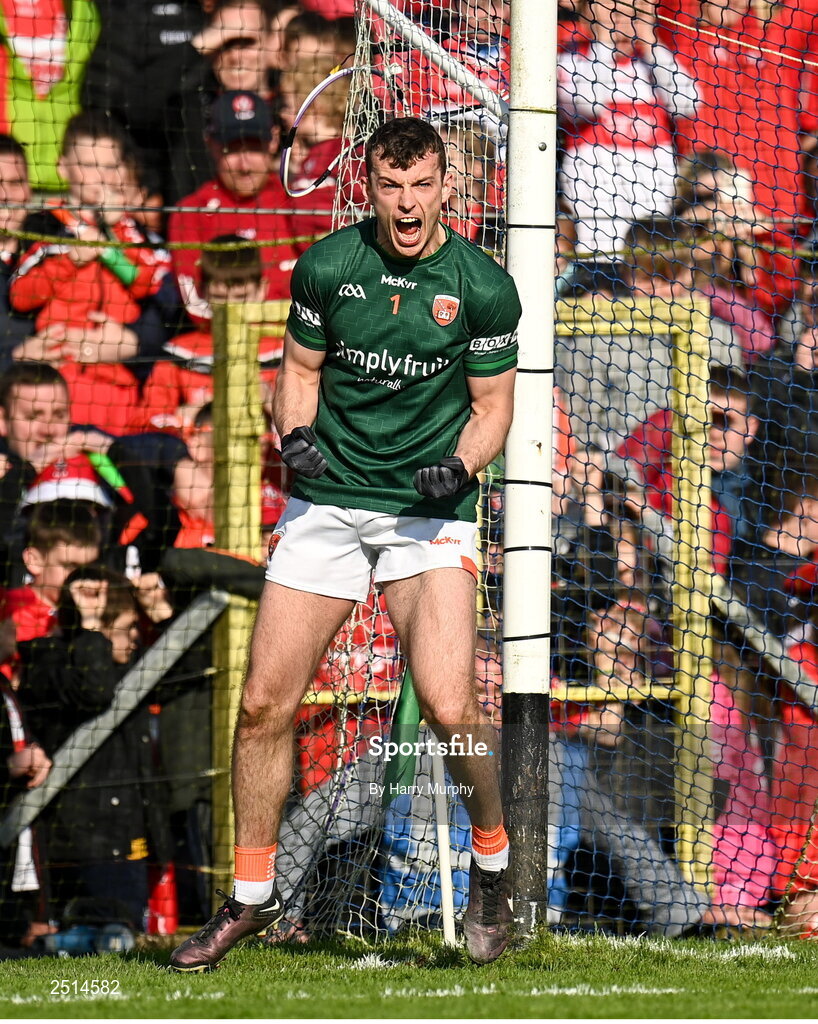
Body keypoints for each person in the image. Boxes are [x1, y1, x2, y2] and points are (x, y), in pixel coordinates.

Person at [170, 116, 522, 971]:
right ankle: (250, 898)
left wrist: (460, 467)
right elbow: (296, 377)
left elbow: (492, 411)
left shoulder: (482, 286)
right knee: (262, 705)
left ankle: (493, 863)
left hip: (425, 514)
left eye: (422, 185)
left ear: (448, 188)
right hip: (326, 508)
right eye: (391, 187)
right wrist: (294, 437)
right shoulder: (328, 265)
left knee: (448, 706)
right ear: (369, 188)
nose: (407, 204)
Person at [9, 112, 171, 436]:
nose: (99, 178)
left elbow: (153, 285)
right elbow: (21, 295)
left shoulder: (134, 233)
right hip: (60, 377)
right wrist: (70, 259)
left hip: (119, 382)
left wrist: (116, 231)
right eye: (87, 165)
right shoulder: (45, 226)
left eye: (110, 167)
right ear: (62, 167)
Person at [168, 89, 299, 325]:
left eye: (253, 147)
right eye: (233, 150)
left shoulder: (299, 202)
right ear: (211, 144)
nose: (244, 164)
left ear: (274, 140)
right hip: (219, 346)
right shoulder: (189, 213)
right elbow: (195, 305)